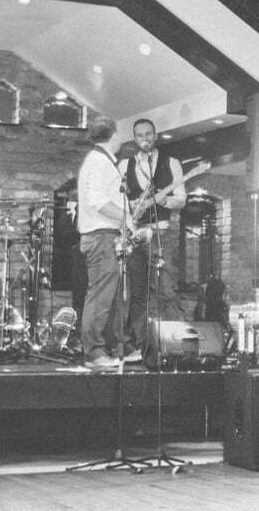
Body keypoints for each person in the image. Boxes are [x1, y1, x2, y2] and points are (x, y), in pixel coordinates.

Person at [119, 118, 188, 363]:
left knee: (165, 289)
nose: (145, 139)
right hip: (136, 234)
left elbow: (181, 198)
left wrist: (165, 201)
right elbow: (120, 201)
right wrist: (131, 211)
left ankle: (177, 346)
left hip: (159, 232)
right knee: (137, 293)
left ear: (155, 135)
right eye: (139, 135)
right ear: (134, 138)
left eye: (149, 134)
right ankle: (141, 346)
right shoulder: (124, 164)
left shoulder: (172, 163)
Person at [75, 120, 131, 372]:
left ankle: (103, 347)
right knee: (100, 296)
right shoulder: (99, 162)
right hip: (101, 235)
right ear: (115, 136)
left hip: (104, 235)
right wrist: (126, 217)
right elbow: (97, 200)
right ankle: (94, 352)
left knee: (107, 295)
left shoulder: (97, 160)